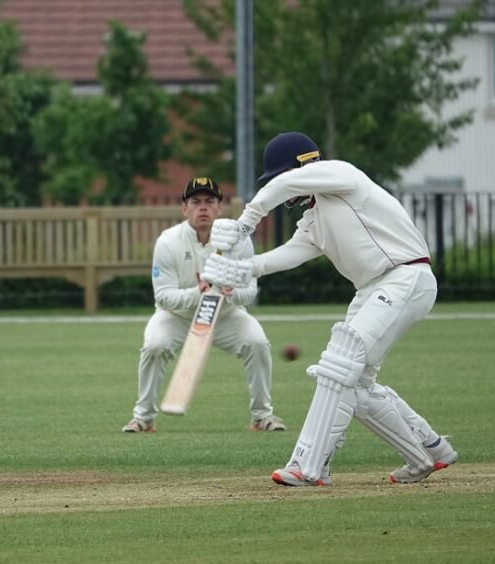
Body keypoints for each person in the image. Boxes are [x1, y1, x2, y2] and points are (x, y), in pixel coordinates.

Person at [203, 132, 457, 485]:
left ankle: (309, 465)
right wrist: (242, 269)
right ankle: (430, 450)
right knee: (358, 384)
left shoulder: (342, 175)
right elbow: (291, 254)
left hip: (405, 276)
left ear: (302, 165)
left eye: (280, 175)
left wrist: (245, 224)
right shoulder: (314, 217)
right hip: (371, 289)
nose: (282, 186)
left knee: (341, 360)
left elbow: (284, 184)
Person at [121, 177, 285, 433]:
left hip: (225, 315)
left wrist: (230, 292)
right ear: (184, 208)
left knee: (257, 343)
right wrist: (198, 293)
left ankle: (262, 417)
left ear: (220, 207)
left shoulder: (238, 241)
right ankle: (143, 419)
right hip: (178, 316)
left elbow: (250, 292)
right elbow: (163, 297)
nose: (203, 208)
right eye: (195, 202)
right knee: (155, 346)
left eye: (209, 201)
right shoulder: (168, 241)